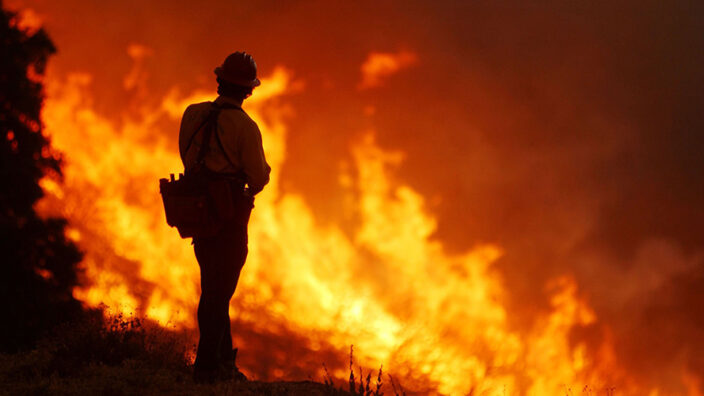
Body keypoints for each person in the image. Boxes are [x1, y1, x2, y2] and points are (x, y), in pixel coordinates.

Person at [178, 51, 270, 383]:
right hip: (230, 218)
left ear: (219, 81)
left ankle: (223, 364)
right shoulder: (245, 127)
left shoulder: (192, 114)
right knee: (219, 291)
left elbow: (186, 157)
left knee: (214, 287)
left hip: (199, 216)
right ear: (249, 90)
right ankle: (205, 369)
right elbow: (258, 177)